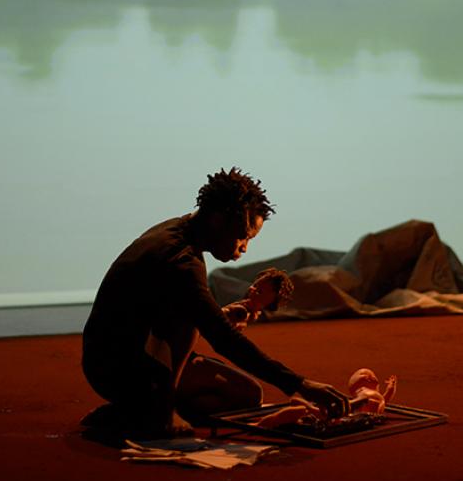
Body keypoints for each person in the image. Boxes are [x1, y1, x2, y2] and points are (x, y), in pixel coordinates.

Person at [81, 167, 349, 439]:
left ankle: (129, 412)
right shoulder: (181, 260)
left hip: (124, 354)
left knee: (246, 395)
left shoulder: (177, 229)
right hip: (115, 367)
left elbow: (151, 308)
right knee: (190, 325)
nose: (244, 247)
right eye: (243, 236)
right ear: (218, 219)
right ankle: (156, 411)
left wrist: (216, 313)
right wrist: (299, 385)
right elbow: (223, 339)